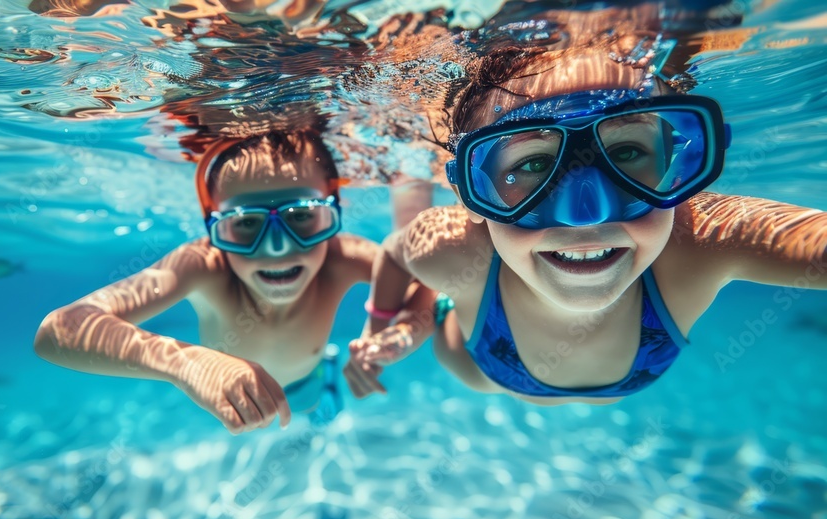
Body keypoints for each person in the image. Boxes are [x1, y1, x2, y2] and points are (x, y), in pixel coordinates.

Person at [345, 6, 827, 405]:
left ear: (679, 164)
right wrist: (380, 329)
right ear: (471, 193)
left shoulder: (698, 236)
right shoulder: (451, 247)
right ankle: (427, 282)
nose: (588, 213)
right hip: (478, 358)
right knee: (424, 268)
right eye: (532, 164)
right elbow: (394, 252)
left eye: (626, 153)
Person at [34, 130, 380, 433]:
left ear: (332, 214)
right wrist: (190, 365)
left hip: (308, 378)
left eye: (302, 216)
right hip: (231, 393)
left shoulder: (342, 255)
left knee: (311, 408)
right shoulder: (203, 264)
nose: (277, 247)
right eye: (245, 223)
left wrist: (384, 332)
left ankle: (328, 368)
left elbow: (421, 279)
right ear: (214, 230)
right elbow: (58, 330)